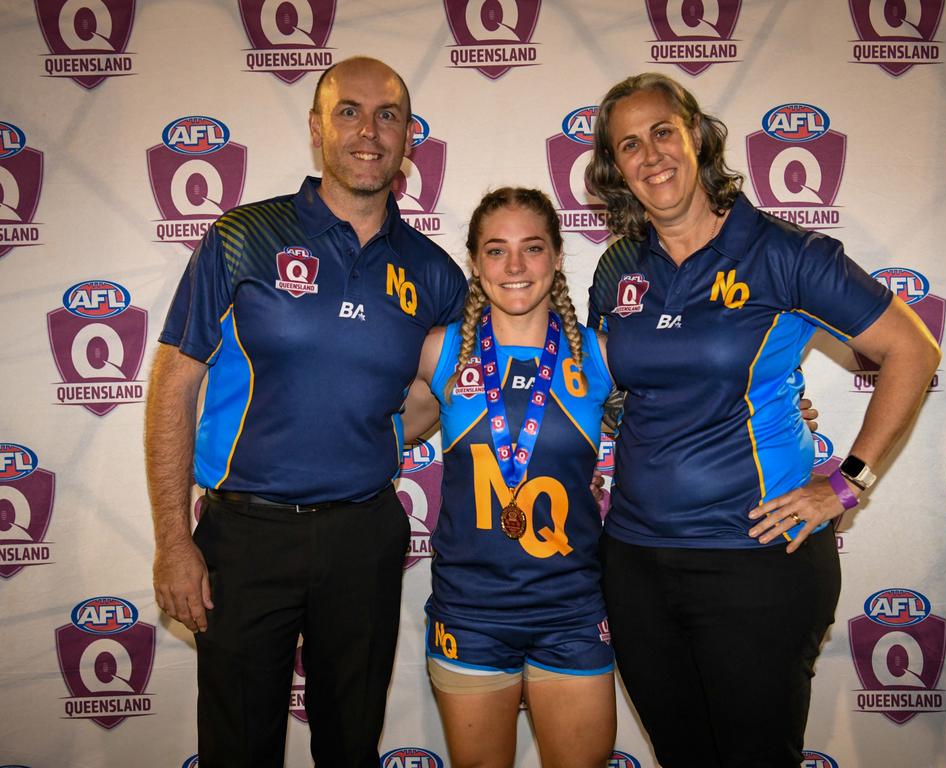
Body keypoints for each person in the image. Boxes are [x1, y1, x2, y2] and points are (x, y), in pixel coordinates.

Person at [584, 73, 941, 767]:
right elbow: (620, 393)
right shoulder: (618, 266)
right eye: (630, 144)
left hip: (755, 562)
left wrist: (847, 482)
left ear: (697, 137)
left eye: (663, 131)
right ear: (615, 169)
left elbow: (912, 352)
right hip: (634, 562)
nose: (651, 154)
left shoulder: (784, 252)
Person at [144, 57, 467, 767]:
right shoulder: (242, 237)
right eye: (348, 111)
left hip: (364, 536)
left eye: (388, 115)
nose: (368, 131)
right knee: (237, 748)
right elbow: (175, 381)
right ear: (318, 127)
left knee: (350, 746)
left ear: (409, 137)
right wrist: (174, 539)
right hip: (244, 538)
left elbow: (435, 395)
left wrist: (365, 437)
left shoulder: (434, 272)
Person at [403, 188, 617, 768]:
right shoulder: (439, 352)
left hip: (570, 609)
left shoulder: (599, 356)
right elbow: (361, 433)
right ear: (475, 262)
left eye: (532, 248)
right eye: (496, 251)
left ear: (557, 257)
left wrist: (772, 410)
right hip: (471, 613)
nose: (515, 267)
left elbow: (684, 416)